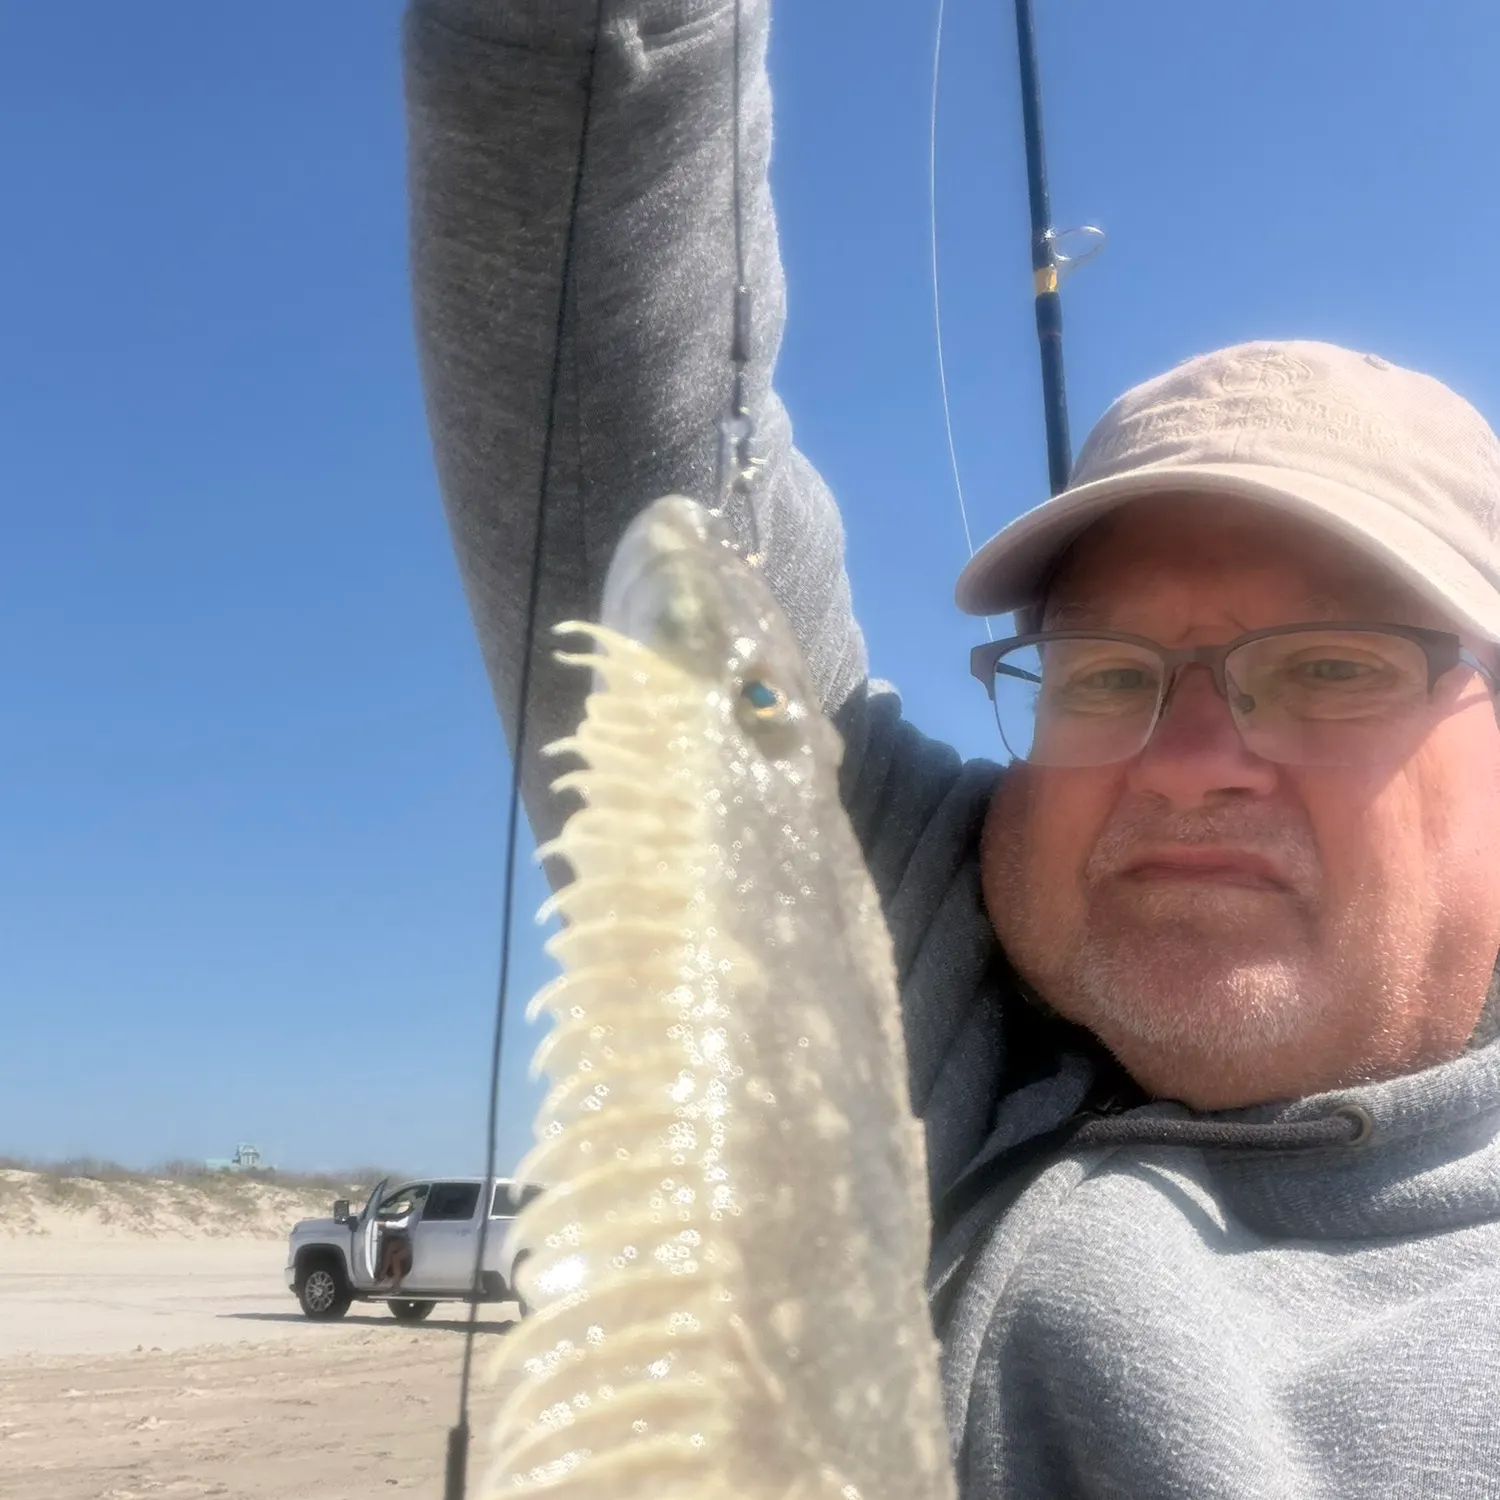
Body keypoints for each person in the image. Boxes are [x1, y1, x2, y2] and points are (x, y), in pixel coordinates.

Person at [401, 4, 1500, 1495]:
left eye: (1329, 668)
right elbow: (623, 403)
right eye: (1105, 674)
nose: (1186, 759)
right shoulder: (915, 934)